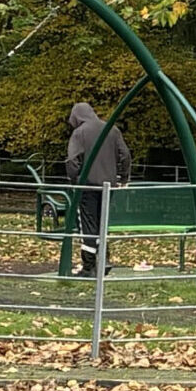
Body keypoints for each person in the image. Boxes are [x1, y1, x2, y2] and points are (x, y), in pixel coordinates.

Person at [63, 102, 132, 277]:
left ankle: (88, 266)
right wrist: (123, 178)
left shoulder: (79, 133)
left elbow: (72, 160)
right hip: (108, 186)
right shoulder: (112, 129)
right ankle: (104, 259)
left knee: (88, 225)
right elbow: (125, 155)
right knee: (102, 223)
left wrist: (75, 180)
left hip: (87, 186)